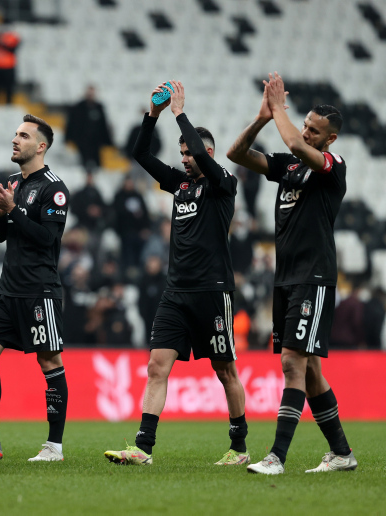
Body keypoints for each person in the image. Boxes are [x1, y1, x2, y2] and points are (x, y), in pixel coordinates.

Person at [104, 81, 248, 467]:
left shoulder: (224, 185)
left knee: (224, 370)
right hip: (176, 292)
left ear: (210, 154)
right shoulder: (180, 185)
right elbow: (139, 153)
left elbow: (201, 151)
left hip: (213, 291)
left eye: (190, 153)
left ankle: (239, 447)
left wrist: (180, 114)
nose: (185, 158)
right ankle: (143, 448)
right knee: (156, 366)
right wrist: (151, 116)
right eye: (182, 152)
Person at [227, 72, 356, 475]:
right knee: (311, 369)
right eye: (305, 124)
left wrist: (280, 110)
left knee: (291, 362)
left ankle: (276, 457)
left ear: (329, 138)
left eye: (314, 130)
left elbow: (295, 144)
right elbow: (236, 154)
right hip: (285, 279)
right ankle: (341, 453)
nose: (306, 133)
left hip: (314, 277)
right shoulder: (288, 167)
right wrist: (263, 117)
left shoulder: (332, 167)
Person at [0, 114, 70, 462]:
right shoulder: (13, 182)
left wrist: (12, 210)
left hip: (38, 289)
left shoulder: (54, 188)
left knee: (49, 361)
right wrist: (1, 212)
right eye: (15, 134)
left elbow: (47, 239)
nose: (15, 140)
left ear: (41, 146)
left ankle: (54, 447)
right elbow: (1, 235)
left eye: (24, 136)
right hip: (7, 289)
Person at [65, 85, 113, 171]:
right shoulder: (78, 107)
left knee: (98, 165)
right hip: (82, 141)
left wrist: (108, 141)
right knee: (82, 165)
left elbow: (103, 125)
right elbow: (71, 124)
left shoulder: (99, 107)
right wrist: (68, 138)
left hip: (96, 142)